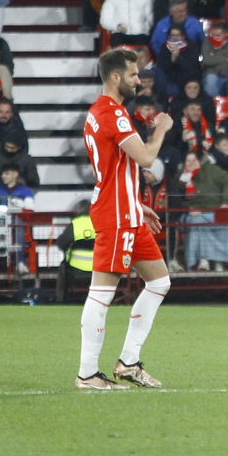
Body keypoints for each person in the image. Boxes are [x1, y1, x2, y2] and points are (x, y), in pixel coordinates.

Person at [77, 49, 174, 389]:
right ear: (116, 78)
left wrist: (136, 203)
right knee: (101, 294)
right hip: (116, 215)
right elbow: (146, 158)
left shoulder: (97, 112)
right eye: (133, 75)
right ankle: (87, 373)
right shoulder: (113, 115)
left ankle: (128, 362)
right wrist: (161, 128)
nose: (139, 80)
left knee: (160, 282)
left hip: (126, 209)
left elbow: (116, 166)